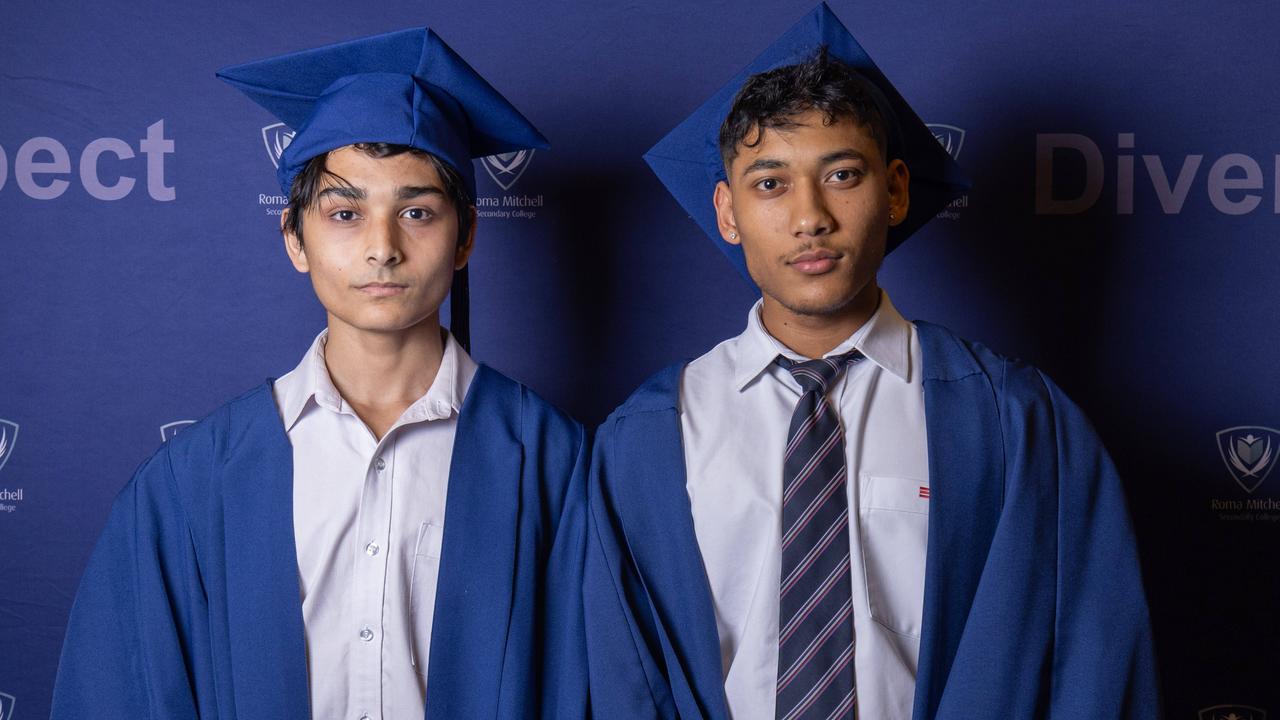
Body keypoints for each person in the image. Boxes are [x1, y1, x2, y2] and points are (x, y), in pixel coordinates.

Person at [583, 4, 1159, 718]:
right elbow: (622, 683)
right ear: (727, 213)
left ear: (895, 191)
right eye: (770, 183)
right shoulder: (645, 441)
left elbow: (1095, 672)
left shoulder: (1017, 423)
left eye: (843, 176)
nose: (810, 217)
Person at [51, 28, 587, 720]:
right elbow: (120, 693)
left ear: (467, 239)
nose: (382, 248)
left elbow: (593, 686)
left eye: (417, 212)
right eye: (344, 213)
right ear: (295, 240)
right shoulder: (197, 480)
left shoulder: (551, 464)